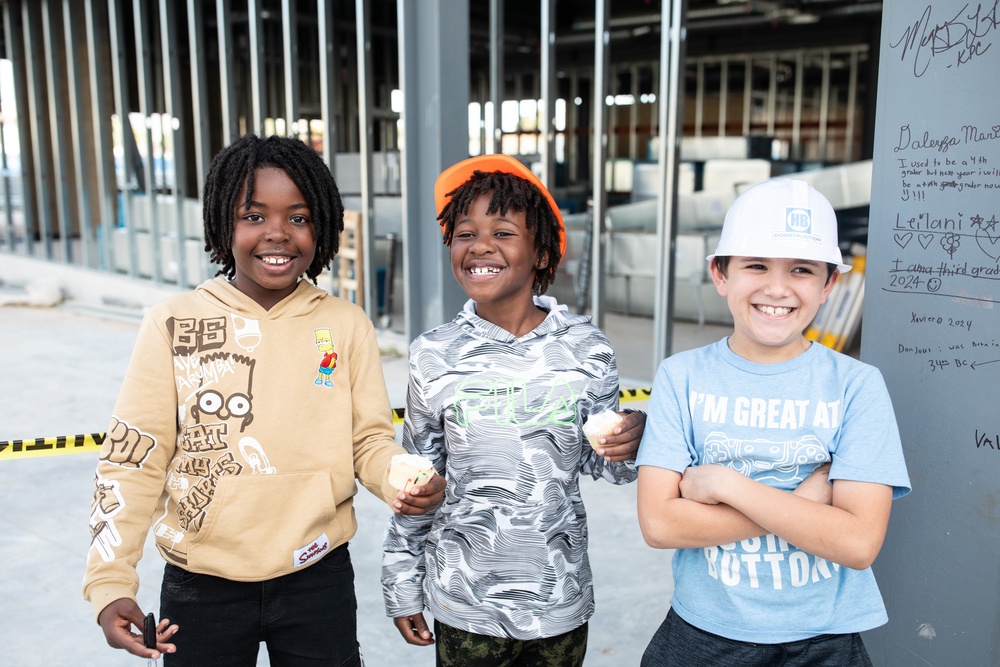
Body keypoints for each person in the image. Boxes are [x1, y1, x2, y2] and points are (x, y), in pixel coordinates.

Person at [83, 134, 444, 666]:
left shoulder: (344, 325)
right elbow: (133, 457)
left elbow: (368, 440)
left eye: (298, 217)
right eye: (253, 215)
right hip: (199, 582)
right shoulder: (173, 322)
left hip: (317, 575)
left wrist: (400, 478)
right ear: (222, 225)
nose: (277, 233)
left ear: (321, 226)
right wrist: (110, 582)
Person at [381, 154, 646, 667]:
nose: (480, 245)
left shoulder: (587, 349)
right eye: (464, 233)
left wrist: (630, 441)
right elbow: (415, 480)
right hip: (465, 604)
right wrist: (401, 579)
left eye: (503, 232)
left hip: (558, 600)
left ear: (542, 252)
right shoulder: (432, 355)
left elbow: (607, 465)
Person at [635, 178, 910, 666]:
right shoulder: (682, 377)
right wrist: (803, 505)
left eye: (801, 270)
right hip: (703, 632)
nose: (777, 288)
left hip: (824, 640)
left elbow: (858, 542)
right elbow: (659, 524)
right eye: (756, 264)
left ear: (828, 284)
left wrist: (727, 484)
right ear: (721, 275)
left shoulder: (856, 386)